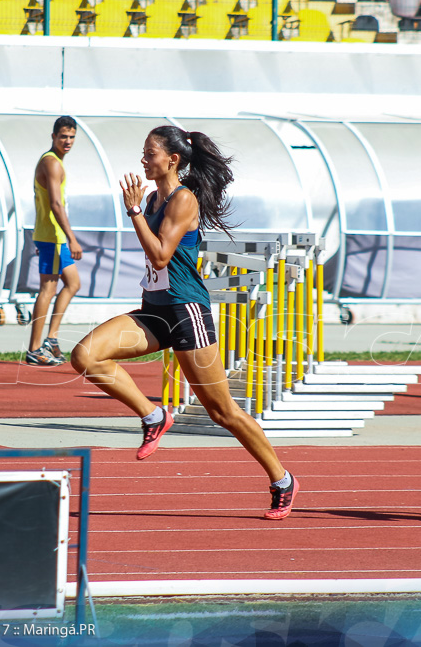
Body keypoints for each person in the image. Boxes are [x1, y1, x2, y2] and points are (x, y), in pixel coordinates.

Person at [70, 125, 299, 520]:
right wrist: (141, 209)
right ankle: (154, 415)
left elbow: (160, 256)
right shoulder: (156, 196)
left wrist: (134, 211)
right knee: (86, 356)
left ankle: (282, 479)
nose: (143, 159)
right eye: (143, 152)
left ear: (172, 159)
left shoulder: (183, 200)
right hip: (154, 308)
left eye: (150, 153)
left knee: (222, 411)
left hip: (186, 312)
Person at [26, 116, 83, 366]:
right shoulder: (52, 163)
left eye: (71, 137)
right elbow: (55, 204)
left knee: (73, 284)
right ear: (53, 137)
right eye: (63, 136)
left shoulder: (56, 161)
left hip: (54, 237)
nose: (67, 141)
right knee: (47, 290)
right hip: (53, 237)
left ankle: (51, 338)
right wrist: (72, 238)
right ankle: (35, 348)